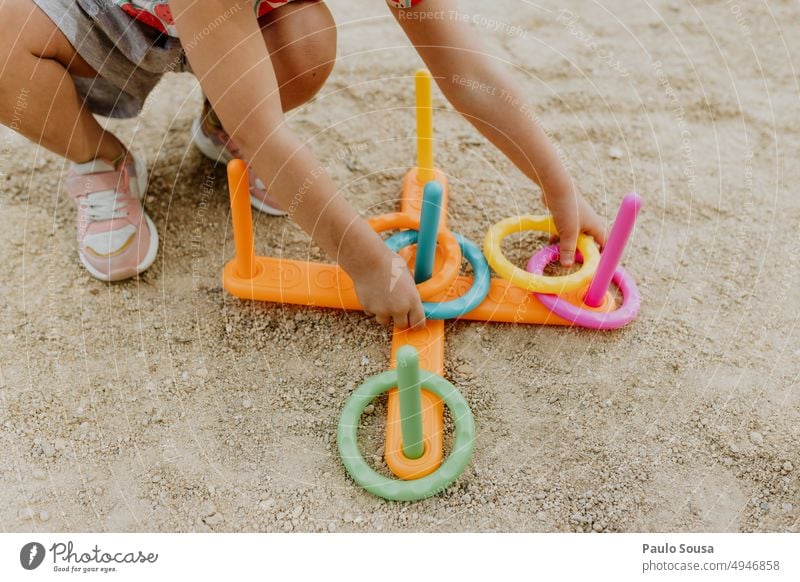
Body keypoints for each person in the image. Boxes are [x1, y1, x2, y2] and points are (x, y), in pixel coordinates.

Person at [0, 0, 606, 329]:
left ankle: (221, 122)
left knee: (308, 38)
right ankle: (101, 158)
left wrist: (558, 184)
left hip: (236, 21)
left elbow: (465, 69)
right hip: (104, 16)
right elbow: (265, 132)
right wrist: (365, 261)